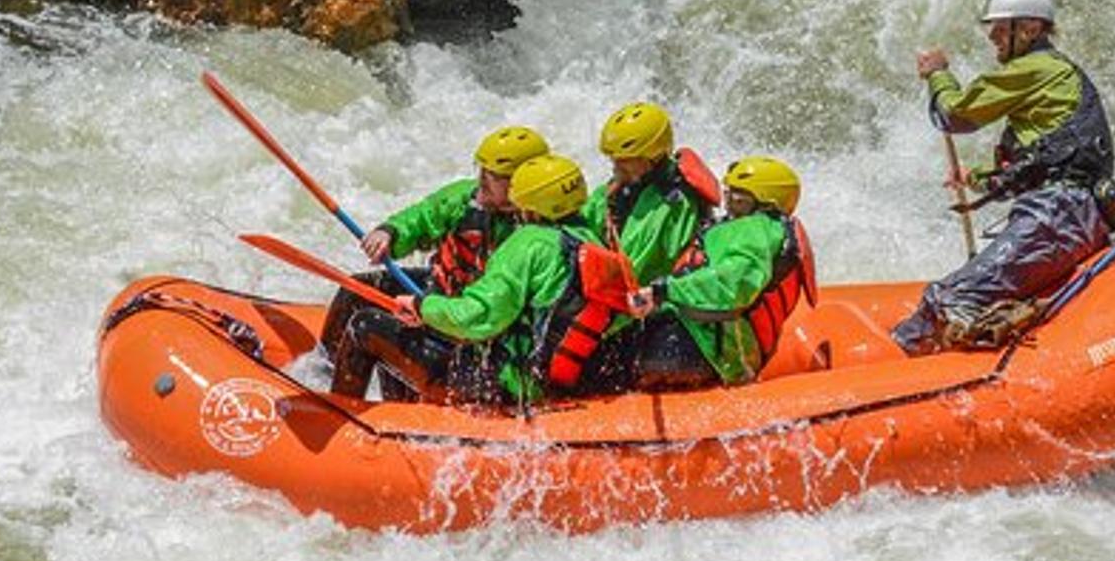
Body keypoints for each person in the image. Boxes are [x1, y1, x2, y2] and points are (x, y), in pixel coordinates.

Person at [892, 0, 1115, 354]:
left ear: (1031, 29)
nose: (993, 38)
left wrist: (938, 74)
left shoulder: (1036, 68)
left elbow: (955, 115)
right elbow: (1041, 163)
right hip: (1078, 217)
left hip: (1057, 215)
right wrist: (976, 179)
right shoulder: (1056, 79)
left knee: (946, 299)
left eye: (1001, 29)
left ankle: (896, 366)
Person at [335, 154, 620, 405]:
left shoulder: (528, 244)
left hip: (503, 385)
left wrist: (423, 307)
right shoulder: (590, 238)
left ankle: (339, 415)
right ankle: (402, 407)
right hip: (558, 378)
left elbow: (479, 318)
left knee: (366, 325)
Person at [315, 124, 546, 393]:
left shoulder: (533, 234)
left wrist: (426, 308)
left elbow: (487, 312)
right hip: (450, 302)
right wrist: (391, 232)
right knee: (358, 289)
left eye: (493, 176)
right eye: (481, 169)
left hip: (479, 336)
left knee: (366, 325)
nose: (482, 180)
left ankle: (347, 409)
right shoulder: (466, 198)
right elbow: (424, 215)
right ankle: (324, 372)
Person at [621, 156, 816, 391]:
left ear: (767, 201)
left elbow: (734, 283)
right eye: (730, 190)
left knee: (615, 359)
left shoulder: (755, 230)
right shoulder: (755, 228)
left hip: (711, 348)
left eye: (740, 193)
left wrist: (665, 290)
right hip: (706, 339)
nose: (729, 198)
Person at [581, 101, 720, 286]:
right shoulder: (622, 187)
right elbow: (583, 220)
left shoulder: (671, 206)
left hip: (656, 305)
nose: (615, 166)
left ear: (651, 157)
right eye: (614, 159)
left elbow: (631, 276)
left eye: (625, 160)